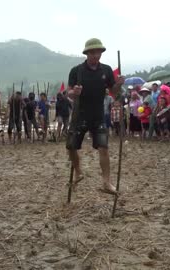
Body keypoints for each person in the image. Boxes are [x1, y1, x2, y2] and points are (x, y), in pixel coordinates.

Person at [67, 38, 124, 194]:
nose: (95, 55)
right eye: (92, 52)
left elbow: (114, 91)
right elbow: (69, 93)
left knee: (103, 147)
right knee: (71, 146)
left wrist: (118, 83)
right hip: (80, 114)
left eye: (98, 52)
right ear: (87, 53)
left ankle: (106, 182)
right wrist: (75, 93)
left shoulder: (106, 70)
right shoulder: (77, 71)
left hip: (98, 115)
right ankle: (78, 172)